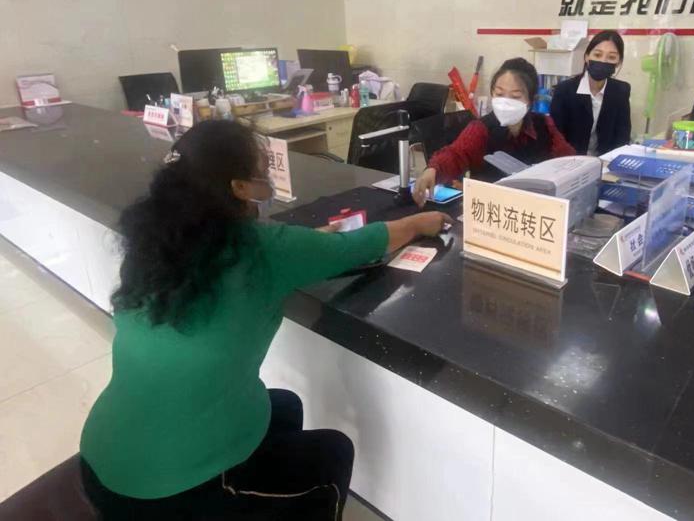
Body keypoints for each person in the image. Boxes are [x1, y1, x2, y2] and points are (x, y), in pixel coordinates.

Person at [79, 120, 449, 520]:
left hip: (102, 458)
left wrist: (307, 245)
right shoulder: (261, 250)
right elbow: (360, 245)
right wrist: (418, 223)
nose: (267, 180)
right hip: (168, 496)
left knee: (284, 406)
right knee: (333, 452)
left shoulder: (155, 245)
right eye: (261, 172)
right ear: (238, 187)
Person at [413, 58, 575, 206]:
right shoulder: (480, 128)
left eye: (515, 96)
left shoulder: (544, 124)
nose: (505, 102)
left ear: (530, 101)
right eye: (499, 94)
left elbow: (568, 161)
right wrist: (433, 170)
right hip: (491, 209)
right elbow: (456, 154)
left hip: (535, 207)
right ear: (492, 93)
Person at [550, 30, 631, 156]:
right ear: (587, 57)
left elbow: (622, 137)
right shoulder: (564, 90)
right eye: (597, 55)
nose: (603, 61)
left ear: (618, 62)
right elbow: (556, 138)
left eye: (611, 57)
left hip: (606, 161)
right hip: (571, 161)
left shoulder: (621, 90)